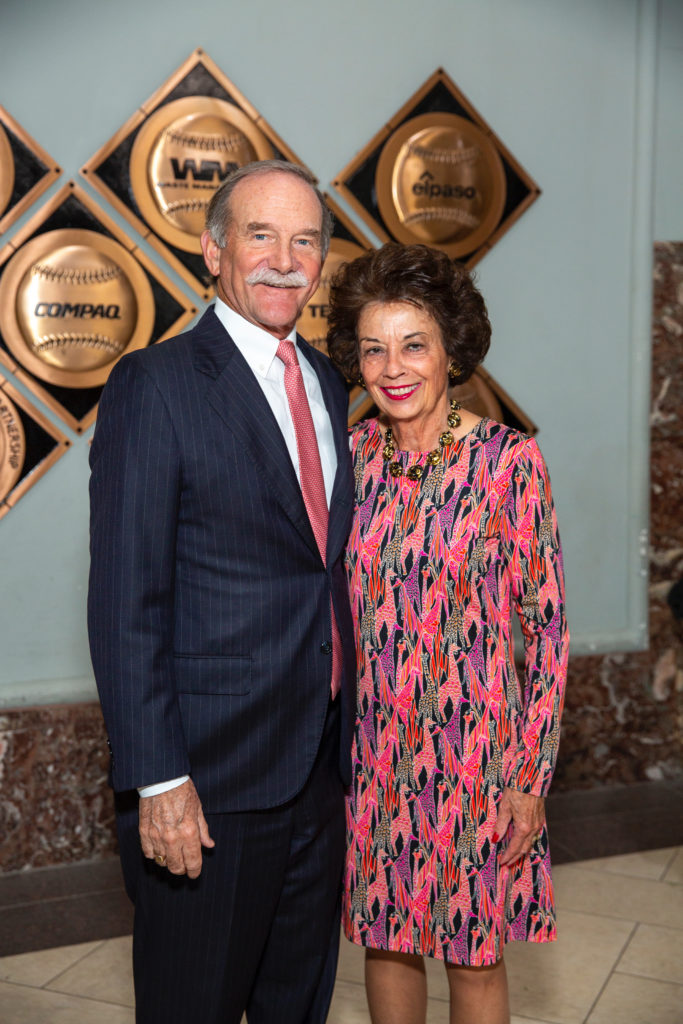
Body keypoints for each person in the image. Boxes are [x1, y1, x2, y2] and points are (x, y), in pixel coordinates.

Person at [87, 160, 356, 1024]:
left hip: (319, 769)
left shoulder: (328, 381)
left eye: (305, 239)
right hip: (207, 782)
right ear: (213, 249)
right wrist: (158, 780)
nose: (285, 259)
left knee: (297, 1002)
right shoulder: (154, 385)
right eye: (261, 235)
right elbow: (126, 601)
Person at [326, 243, 569, 1024]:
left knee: (472, 954)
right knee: (386, 938)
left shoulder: (507, 463)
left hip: (477, 758)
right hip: (374, 752)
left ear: (449, 350)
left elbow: (549, 630)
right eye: (373, 348)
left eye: (412, 344)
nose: (392, 367)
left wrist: (529, 780)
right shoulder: (352, 459)